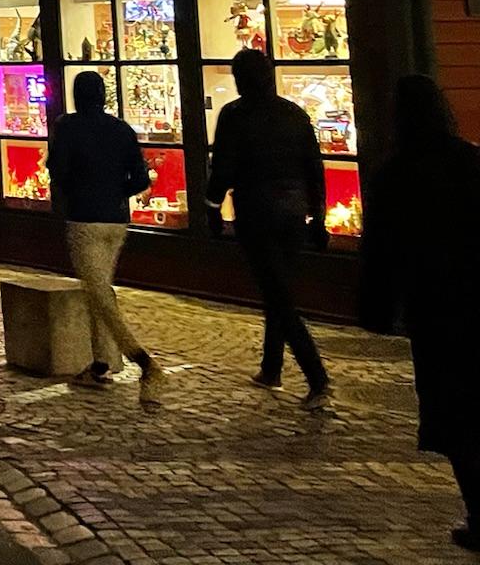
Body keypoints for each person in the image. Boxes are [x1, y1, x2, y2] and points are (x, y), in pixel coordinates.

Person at [361, 75, 480, 552]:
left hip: (434, 309)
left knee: (454, 415)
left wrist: (379, 308)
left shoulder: (396, 173)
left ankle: (479, 510)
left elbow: (381, 250)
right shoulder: (470, 160)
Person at [205, 47, 331, 407]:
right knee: (280, 289)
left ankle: (317, 378)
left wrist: (212, 208)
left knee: (278, 295)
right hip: (292, 210)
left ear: (240, 80)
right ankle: (271, 366)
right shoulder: (293, 113)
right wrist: (317, 215)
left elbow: (223, 168)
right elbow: (313, 165)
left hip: (256, 210)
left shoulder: (235, 115)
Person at [48, 70, 161, 400]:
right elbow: (141, 180)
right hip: (116, 221)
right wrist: (115, 192)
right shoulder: (121, 130)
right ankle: (100, 363)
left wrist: (80, 191)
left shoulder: (66, 127)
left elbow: (58, 171)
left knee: (98, 292)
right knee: (100, 290)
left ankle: (144, 362)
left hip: (84, 219)